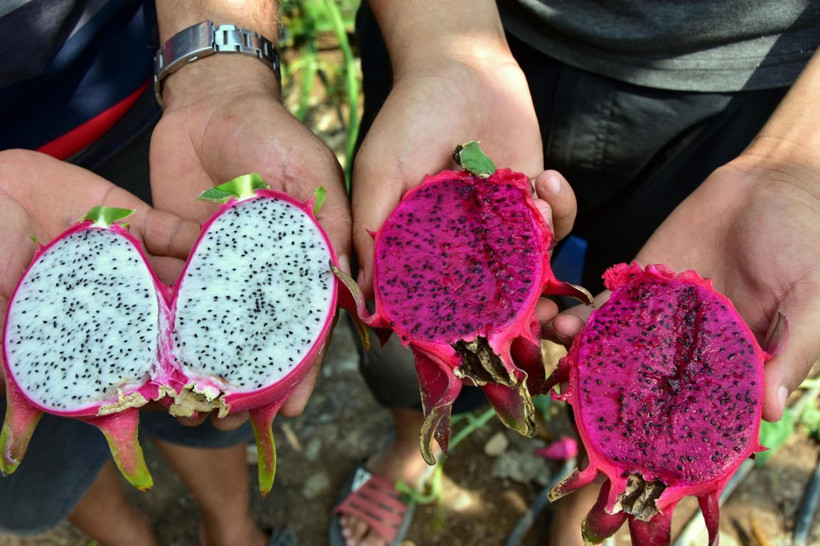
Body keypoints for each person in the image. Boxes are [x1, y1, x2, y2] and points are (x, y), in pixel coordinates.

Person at [333, 1, 820, 545]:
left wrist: (796, 162)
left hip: (744, 90)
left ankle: (598, 491)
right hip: (459, 31)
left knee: (606, 355)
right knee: (403, 344)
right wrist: (444, 46)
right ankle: (411, 445)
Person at [0, 1, 350, 545]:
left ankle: (231, 532)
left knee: (202, 408)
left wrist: (218, 75)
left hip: (143, 96)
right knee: (37, 464)